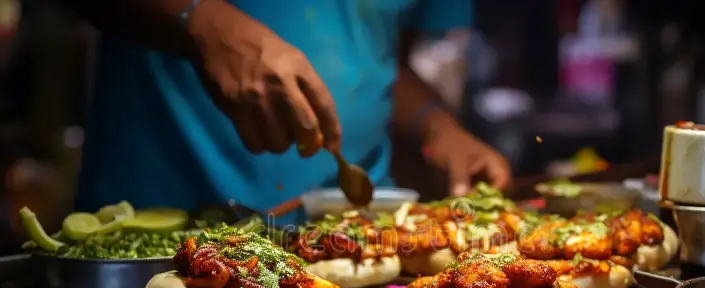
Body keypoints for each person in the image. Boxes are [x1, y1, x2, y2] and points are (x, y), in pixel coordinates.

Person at [67, 0, 512, 223]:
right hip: (157, 240)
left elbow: (378, 57)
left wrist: (437, 125)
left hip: (358, 236)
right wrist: (201, 22)